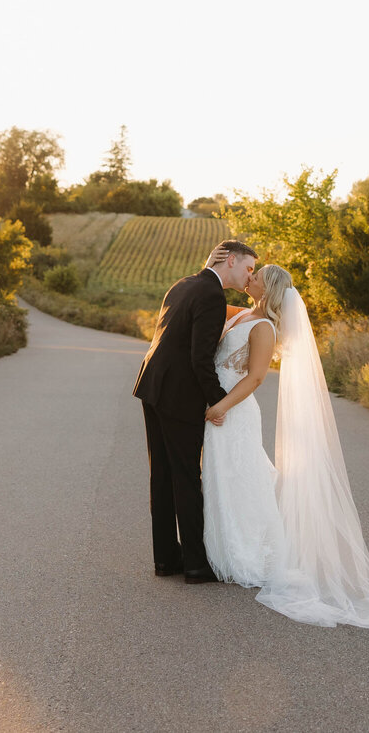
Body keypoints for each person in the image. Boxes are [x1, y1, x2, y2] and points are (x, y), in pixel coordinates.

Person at [202, 257, 369, 633]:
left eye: (257, 276)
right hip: (220, 409)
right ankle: (223, 545)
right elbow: (207, 305)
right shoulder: (243, 313)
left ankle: (249, 555)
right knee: (224, 476)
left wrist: (220, 407)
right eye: (251, 271)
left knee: (241, 477)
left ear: (270, 289)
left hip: (233, 412)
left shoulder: (264, 326)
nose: (251, 277)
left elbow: (258, 377)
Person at [132, 240, 258, 584]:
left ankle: (166, 559)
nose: (249, 276)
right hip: (177, 395)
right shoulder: (212, 295)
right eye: (247, 268)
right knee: (187, 476)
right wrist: (218, 402)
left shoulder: (185, 284)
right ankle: (196, 565)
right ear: (230, 260)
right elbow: (199, 357)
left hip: (152, 384)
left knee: (162, 475)